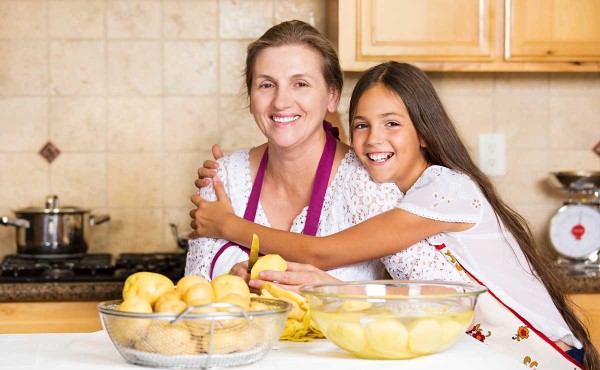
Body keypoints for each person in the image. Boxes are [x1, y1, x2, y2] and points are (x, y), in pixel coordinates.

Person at [190, 62, 597, 369]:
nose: (374, 139)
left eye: (392, 124)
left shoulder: (444, 189)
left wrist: (226, 224)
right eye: (362, 125)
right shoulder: (396, 196)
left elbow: (321, 252)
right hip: (487, 355)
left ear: (423, 132)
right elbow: (419, 297)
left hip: (543, 354)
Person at [185, 20, 449, 285]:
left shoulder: (368, 184)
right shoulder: (223, 180)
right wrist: (233, 283)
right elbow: (193, 299)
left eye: (300, 84)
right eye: (266, 85)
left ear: (332, 96)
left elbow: (442, 299)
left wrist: (335, 295)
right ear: (251, 98)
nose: (281, 101)